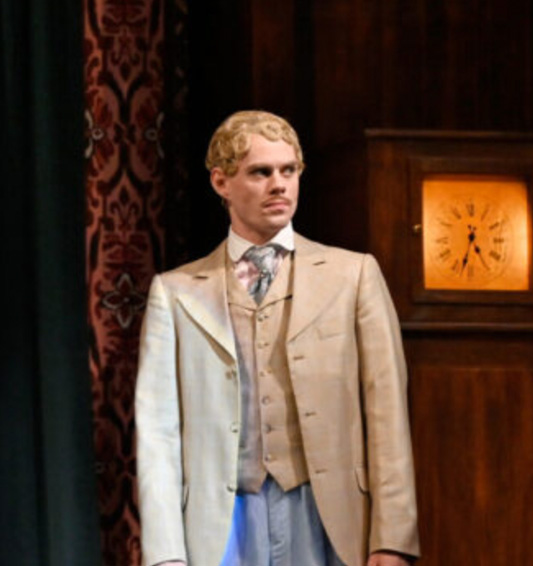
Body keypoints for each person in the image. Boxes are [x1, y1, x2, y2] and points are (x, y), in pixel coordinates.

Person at [135, 111, 420, 566]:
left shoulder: (353, 276)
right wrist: (165, 554)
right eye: (260, 172)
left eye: (289, 171)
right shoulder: (176, 293)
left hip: (329, 515)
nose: (279, 185)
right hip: (223, 520)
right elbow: (158, 436)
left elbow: (387, 416)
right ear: (221, 182)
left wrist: (392, 539)